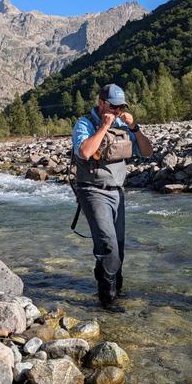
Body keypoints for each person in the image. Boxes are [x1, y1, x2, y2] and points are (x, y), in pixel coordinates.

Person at [72, 83, 153, 311]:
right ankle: (107, 300)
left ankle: (116, 288)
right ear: (101, 103)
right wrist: (104, 126)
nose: (117, 111)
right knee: (108, 246)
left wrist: (135, 128)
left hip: (117, 191)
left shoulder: (123, 126)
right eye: (113, 106)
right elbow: (85, 152)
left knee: (118, 247)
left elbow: (147, 152)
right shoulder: (84, 124)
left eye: (121, 107)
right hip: (92, 190)